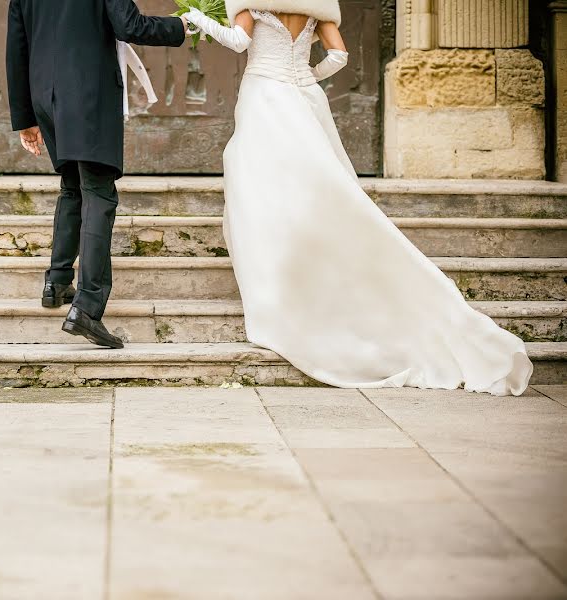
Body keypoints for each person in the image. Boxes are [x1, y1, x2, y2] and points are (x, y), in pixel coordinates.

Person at [182, 0, 533, 395]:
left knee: (259, 183)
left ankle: (278, 282)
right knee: (314, 182)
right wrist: (304, 75)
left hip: (264, 92)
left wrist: (197, 20)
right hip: (303, 96)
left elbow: (236, 42)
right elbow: (339, 57)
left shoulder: (255, 3)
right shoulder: (316, 9)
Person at [6, 0, 187, 349]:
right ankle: (87, 307)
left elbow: (17, 47)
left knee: (72, 186)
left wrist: (24, 117)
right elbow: (131, 26)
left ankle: (57, 282)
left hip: (47, 95)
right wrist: (184, 27)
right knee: (99, 193)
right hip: (87, 95)